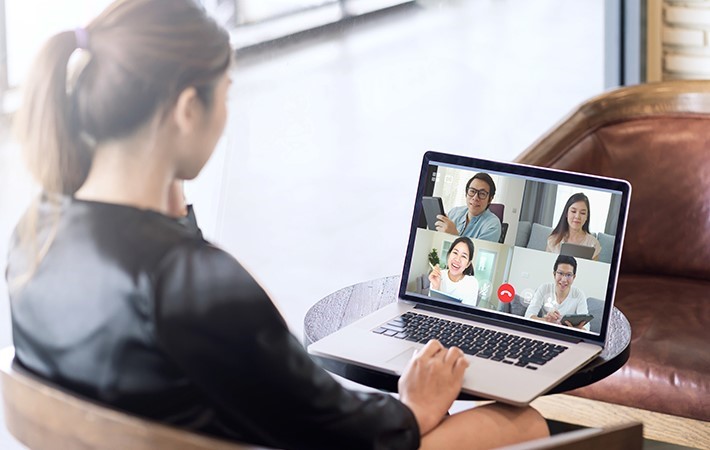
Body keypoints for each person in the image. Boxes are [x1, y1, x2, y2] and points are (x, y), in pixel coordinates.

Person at [6, 1, 549, 448]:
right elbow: (343, 432)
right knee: (521, 423)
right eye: (225, 93)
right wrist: (414, 408)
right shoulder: (195, 285)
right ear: (186, 108)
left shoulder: (36, 234)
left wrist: (175, 213)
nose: (225, 116)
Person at [525, 256, 590, 330]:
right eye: (560, 273)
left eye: (569, 275)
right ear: (554, 274)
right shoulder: (544, 288)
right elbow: (528, 316)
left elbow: (586, 327)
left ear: (574, 277)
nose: (564, 280)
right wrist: (547, 321)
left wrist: (575, 329)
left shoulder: (579, 294)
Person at [435, 173, 502, 243]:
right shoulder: (454, 212)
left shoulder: (493, 226)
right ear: (466, 193)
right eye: (472, 191)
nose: (475, 198)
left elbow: (477, 253)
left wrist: (454, 235)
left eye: (482, 194)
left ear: (490, 199)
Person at [546, 192, 601, 261]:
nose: (577, 216)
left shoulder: (593, 243)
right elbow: (546, 265)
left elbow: (594, 270)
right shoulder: (553, 240)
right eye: (573, 211)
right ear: (566, 213)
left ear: (587, 216)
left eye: (582, 213)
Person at [428, 237, 479, 306]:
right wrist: (435, 287)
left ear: (468, 264)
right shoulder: (438, 275)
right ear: (449, 255)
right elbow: (430, 307)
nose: (457, 259)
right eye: (455, 252)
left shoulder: (472, 283)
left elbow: (467, 313)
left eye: (463, 256)